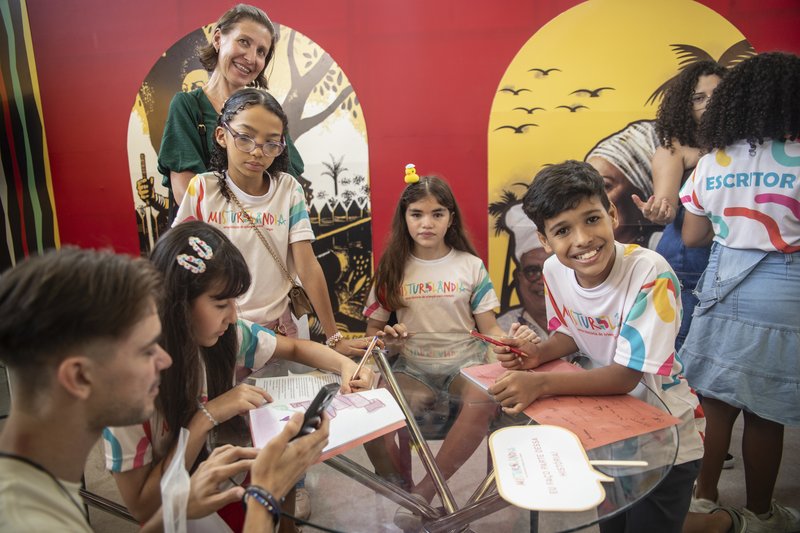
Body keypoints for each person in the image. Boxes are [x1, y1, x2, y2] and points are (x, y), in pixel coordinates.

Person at [0, 247, 329, 533]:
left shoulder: (38, 488)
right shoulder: (26, 521)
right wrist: (264, 496)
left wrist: (179, 507)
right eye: (145, 350)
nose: (165, 359)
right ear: (79, 377)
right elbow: (143, 506)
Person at [104, 221, 372, 531]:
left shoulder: (225, 336)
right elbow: (146, 508)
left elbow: (295, 348)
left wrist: (345, 366)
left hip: (221, 477)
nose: (232, 316)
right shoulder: (124, 395)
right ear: (177, 305)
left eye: (234, 302)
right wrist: (207, 416)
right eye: (221, 304)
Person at [488, 161, 706, 533]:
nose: (583, 239)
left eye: (591, 219)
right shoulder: (554, 270)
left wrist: (539, 383)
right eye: (562, 230)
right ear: (545, 241)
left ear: (612, 214)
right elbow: (571, 334)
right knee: (611, 524)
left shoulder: (650, 273)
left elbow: (625, 376)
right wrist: (537, 355)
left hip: (666, 437)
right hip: (607, 431)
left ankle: (720, 523)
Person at [362, 173, 535, 528]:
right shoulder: (392, 267)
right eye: (417, 214)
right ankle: (403, 491)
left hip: (465, 365)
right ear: (404, 217)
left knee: (483, 398)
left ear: (450, 218)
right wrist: (388, 338)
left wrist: (510, 340)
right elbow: (372, 334)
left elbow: (489, 328)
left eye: (437, 213)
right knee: (372, 410)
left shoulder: (470, 266)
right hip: (412, 368)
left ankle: (422, 494)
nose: (426, 223)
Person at [678, 51, 800, 532]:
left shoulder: (713, 160)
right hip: (784, 291)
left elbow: (693, 236)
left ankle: (703, 498)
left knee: (714, 400)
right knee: (766, 412)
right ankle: (760, 514)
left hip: (721, 284)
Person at [174, 87, 367, 358]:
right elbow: (180, 264)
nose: (257, 152)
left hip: (281, 331)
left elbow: (307, 266)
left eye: (271, 143)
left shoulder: (288, 190)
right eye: (245, 138)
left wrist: (334, 337)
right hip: (222, 333)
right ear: (221, 135)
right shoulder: (202, 190)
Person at [156, 3, 303, 221]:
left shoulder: (267, 111)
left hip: (265, 234)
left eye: (261, 52)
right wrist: (243, 224)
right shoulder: (187, 106)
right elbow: (187, 196)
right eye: (244, 42)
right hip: (209, 236)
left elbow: (288, 190)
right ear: (218, 39)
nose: (251, 58)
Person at [632, 60, 726, 351]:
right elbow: (666, 205)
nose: (709, 103)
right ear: (685, 106)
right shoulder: (674, 149)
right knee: (681, 347)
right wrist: (659, 211)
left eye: (717, 94)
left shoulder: (743, 147)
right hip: (687, 262)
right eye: (698, 98)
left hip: (728, 262)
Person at [585, 120, 661, 248]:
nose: (588, 198)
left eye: (605, 186)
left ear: (643, 193)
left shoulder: (665, 249)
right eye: (585, 186)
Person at [496, 203, 552, 339]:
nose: (542, 280)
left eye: (550, 270)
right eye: (532, 271)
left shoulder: (585, 321)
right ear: (519, 278)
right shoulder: (502, 327)